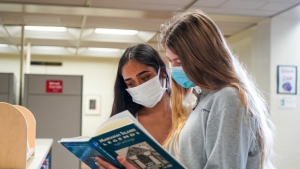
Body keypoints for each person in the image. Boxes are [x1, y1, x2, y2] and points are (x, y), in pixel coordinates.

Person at [96, 9, 276, 169]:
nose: (173, 68)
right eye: (171, 61)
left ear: (202, 56)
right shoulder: (204, 100)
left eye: (179, 62)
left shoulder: (227, 98)